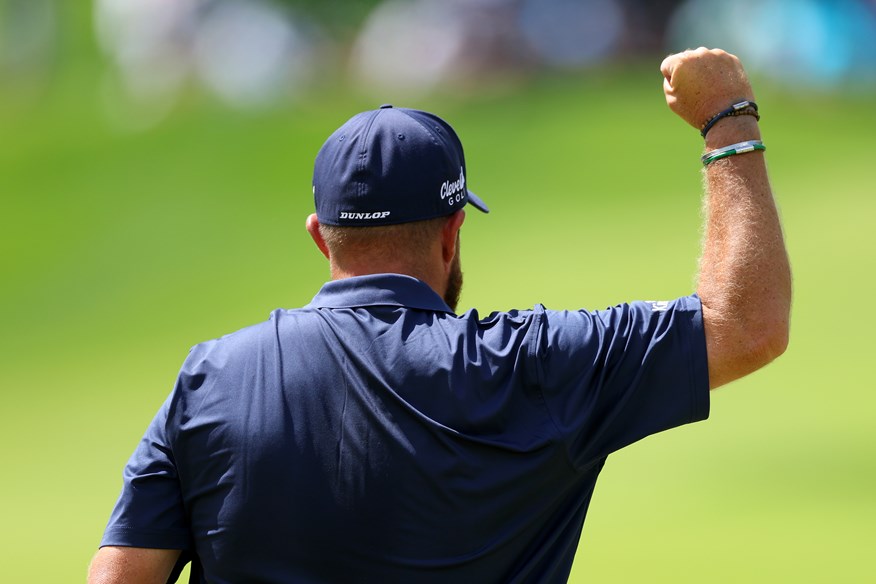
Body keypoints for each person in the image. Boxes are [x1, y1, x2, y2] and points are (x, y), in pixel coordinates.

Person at [88, 48, 791, 584]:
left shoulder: (210, 378)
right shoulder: (535, 369)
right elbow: (747, 324)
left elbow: (121, 576)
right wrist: (726, 116)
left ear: (318, 235)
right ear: (452, 232)